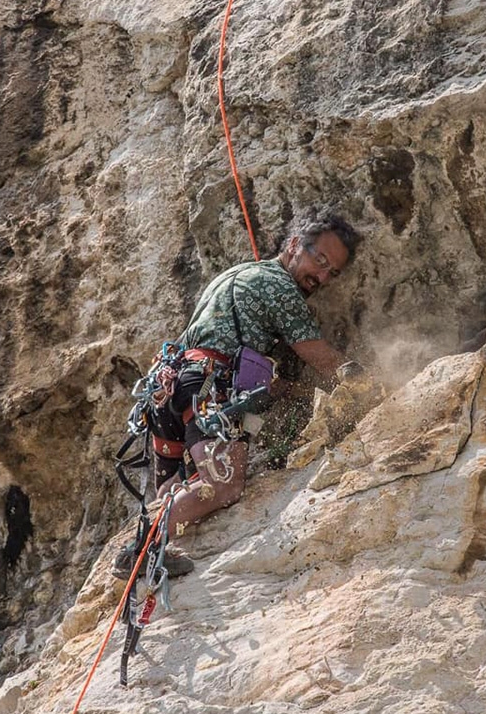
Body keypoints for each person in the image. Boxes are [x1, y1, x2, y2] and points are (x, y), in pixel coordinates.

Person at [113, 210, 361, 579]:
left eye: (333, 272)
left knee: (177, 487)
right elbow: (323, 360)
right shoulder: (279, 286)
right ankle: (142, 548)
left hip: (172, 391)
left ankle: (157, 547)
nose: (322, 276)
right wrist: (371, 384)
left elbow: (237, 354)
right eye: (320, 260)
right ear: (293, 245)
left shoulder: (237, 276)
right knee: (223, 484)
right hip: (209, 388)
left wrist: (292, 393)